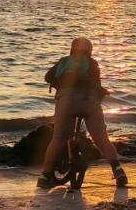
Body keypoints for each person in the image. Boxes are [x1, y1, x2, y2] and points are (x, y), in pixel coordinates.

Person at [38, 37, 128, 188]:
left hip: (66, 101)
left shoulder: (63, 61)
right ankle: (118, 171)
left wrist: (59, 83)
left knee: (58, 139)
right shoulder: (92, 63)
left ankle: (44, 176)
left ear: (72, 49)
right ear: (89, 51)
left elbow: (47, 77)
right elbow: (97, 85)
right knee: (101, 139)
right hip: (88, 102)